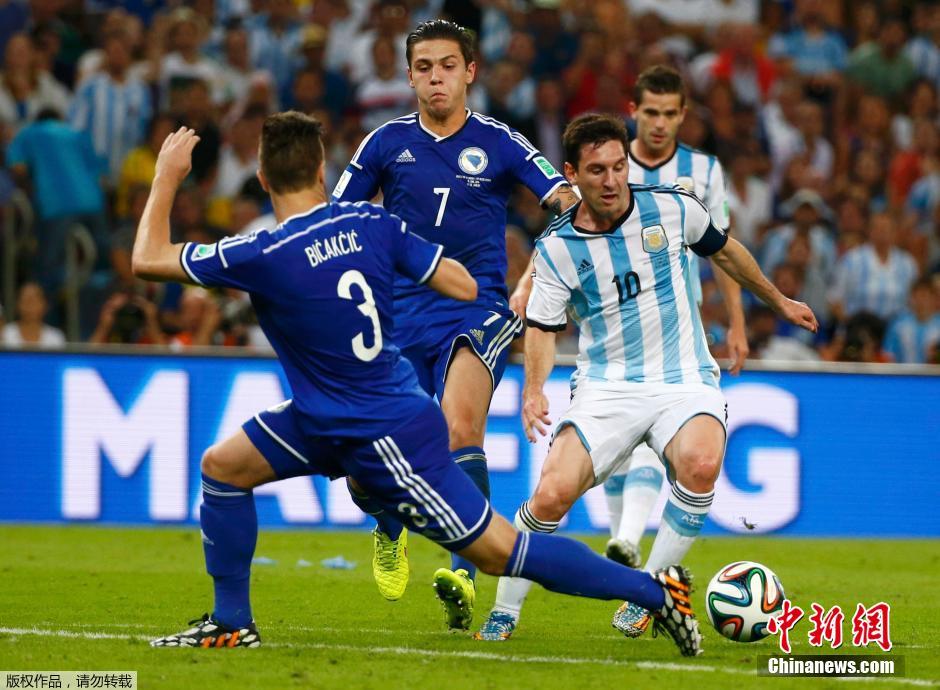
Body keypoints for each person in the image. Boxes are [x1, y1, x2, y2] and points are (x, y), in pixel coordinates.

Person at [136, 115, 701, 657]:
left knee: (501, 551)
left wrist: (166, 176)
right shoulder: (372, 225)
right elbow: (459, 283)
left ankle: (654, 593)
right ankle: (232, 622)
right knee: (224, 467)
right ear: (320, 171)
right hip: (323, 416)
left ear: (263, 179)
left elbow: (147, 259)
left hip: (381, 432)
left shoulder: (260, 253)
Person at [475, 114, 817, 642]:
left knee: (701, 465)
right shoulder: (557, 247)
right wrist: (534, 391)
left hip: (684, 378)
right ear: (572, 174)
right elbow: (542, 328)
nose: (612, 180)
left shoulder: (673, 208)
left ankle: (650, 593)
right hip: (606, 386)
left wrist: (779, 300)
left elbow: (726, 251)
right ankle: (505, 611)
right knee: (551, 495)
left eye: (619, 166)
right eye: (597, 171)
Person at [331, 19, 577, 628]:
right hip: (398, 314)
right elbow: (336, 220)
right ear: (409, 75)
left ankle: (463, 574)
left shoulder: (501, 142)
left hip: (478, 307)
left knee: (460, 426)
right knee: (372, 458)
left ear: (470, 72)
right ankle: (388, 525)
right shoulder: (385, 144)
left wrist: (535, 273)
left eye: (447, 66)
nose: (435, 78)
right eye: (424, 68)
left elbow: (566, 205)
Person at [593, 66, 748, 574]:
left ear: (683, 115)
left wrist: (737, 323)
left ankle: (625, 538)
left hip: (675, 322)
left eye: (669, 114)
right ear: (633, 111)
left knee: (652, 418)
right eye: (651, 112)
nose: (659, 124)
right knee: (619, 442)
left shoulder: (704, 170)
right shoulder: (611, 164)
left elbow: (721, 249)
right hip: (612, 319)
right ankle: (623, 543)